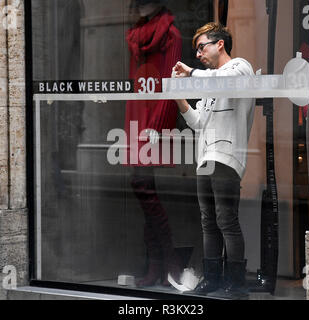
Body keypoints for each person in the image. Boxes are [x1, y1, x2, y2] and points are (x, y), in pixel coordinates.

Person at [172, 22, 255, 298]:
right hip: (205, 157)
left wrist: (193, 73)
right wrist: (180, 99)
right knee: (209, 221)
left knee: (226, 220)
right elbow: (198, 123)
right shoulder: (210, 79)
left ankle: (236, 283)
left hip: (227, 156)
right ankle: (213, 280)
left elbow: (225, 81)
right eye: (196, 49)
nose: (198, 53)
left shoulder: (240, 67)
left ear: (220, 44)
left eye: (201, 46)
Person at [125, 0, 183, 287]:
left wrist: (158, 125)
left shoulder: (171, 34)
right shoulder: (136, 34)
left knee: (143, 185)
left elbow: (171, 82)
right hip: (138, 112)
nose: (137, 6)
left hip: (155, 117)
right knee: (144, 186)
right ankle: (158, 264)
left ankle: (167, 259)